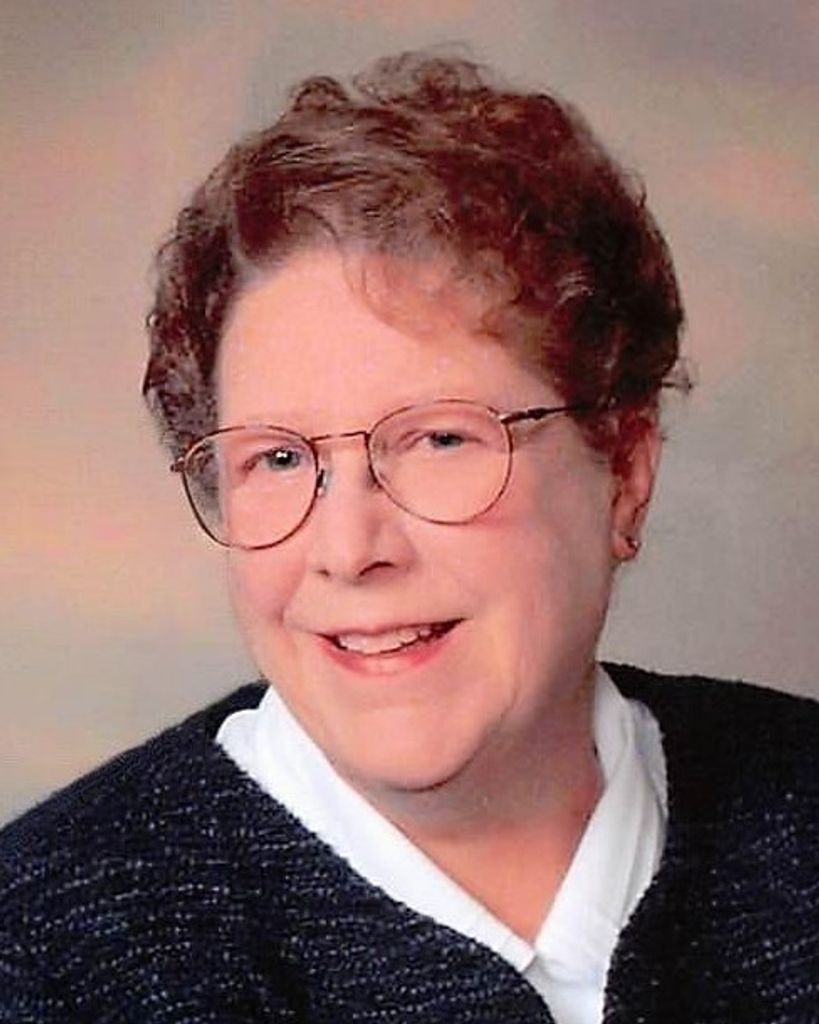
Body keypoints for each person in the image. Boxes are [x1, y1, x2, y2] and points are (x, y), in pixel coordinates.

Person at [1, 52, 816, 1024]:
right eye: (277, 459)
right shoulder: (41, 957)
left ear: (625, 473)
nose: (349, 549)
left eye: (439, 439)